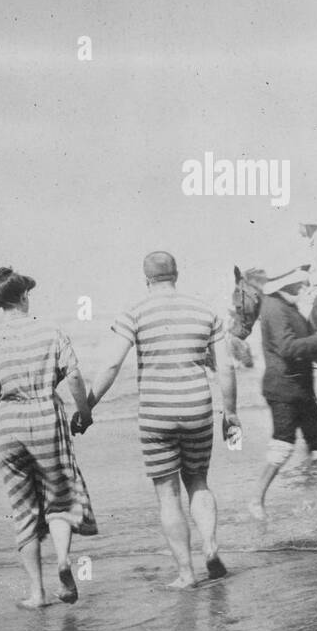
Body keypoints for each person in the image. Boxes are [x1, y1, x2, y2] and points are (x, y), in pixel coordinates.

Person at [80, 251, 238, 589]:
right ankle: (210, 546)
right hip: (197, 409)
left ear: (146, 278)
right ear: (176, 274)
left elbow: (110, 366)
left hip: (156, 416)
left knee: (167, 494)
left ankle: (186, 573)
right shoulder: (205, 311)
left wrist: (87, 407)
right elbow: (226, 367)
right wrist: (231, 412)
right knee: (198, 481)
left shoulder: (134, 312)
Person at [0, 267, 97, 609]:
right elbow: (75, 376)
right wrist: (85, 412)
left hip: (8, 426)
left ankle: (36, 593)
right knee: (60, 498)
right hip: (46, 417)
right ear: (23, 297)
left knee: (23, 510)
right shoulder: (50, 330)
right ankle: (63, 562)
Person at [249, 261, 317, 520]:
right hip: (284, 389)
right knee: (283, 445)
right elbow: (289, 347)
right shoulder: (274, 309)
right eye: (300, 284)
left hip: (300, 388)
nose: (304, 287)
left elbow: (315, 337)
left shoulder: (288, 308)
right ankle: (256, 500)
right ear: (286, 286)